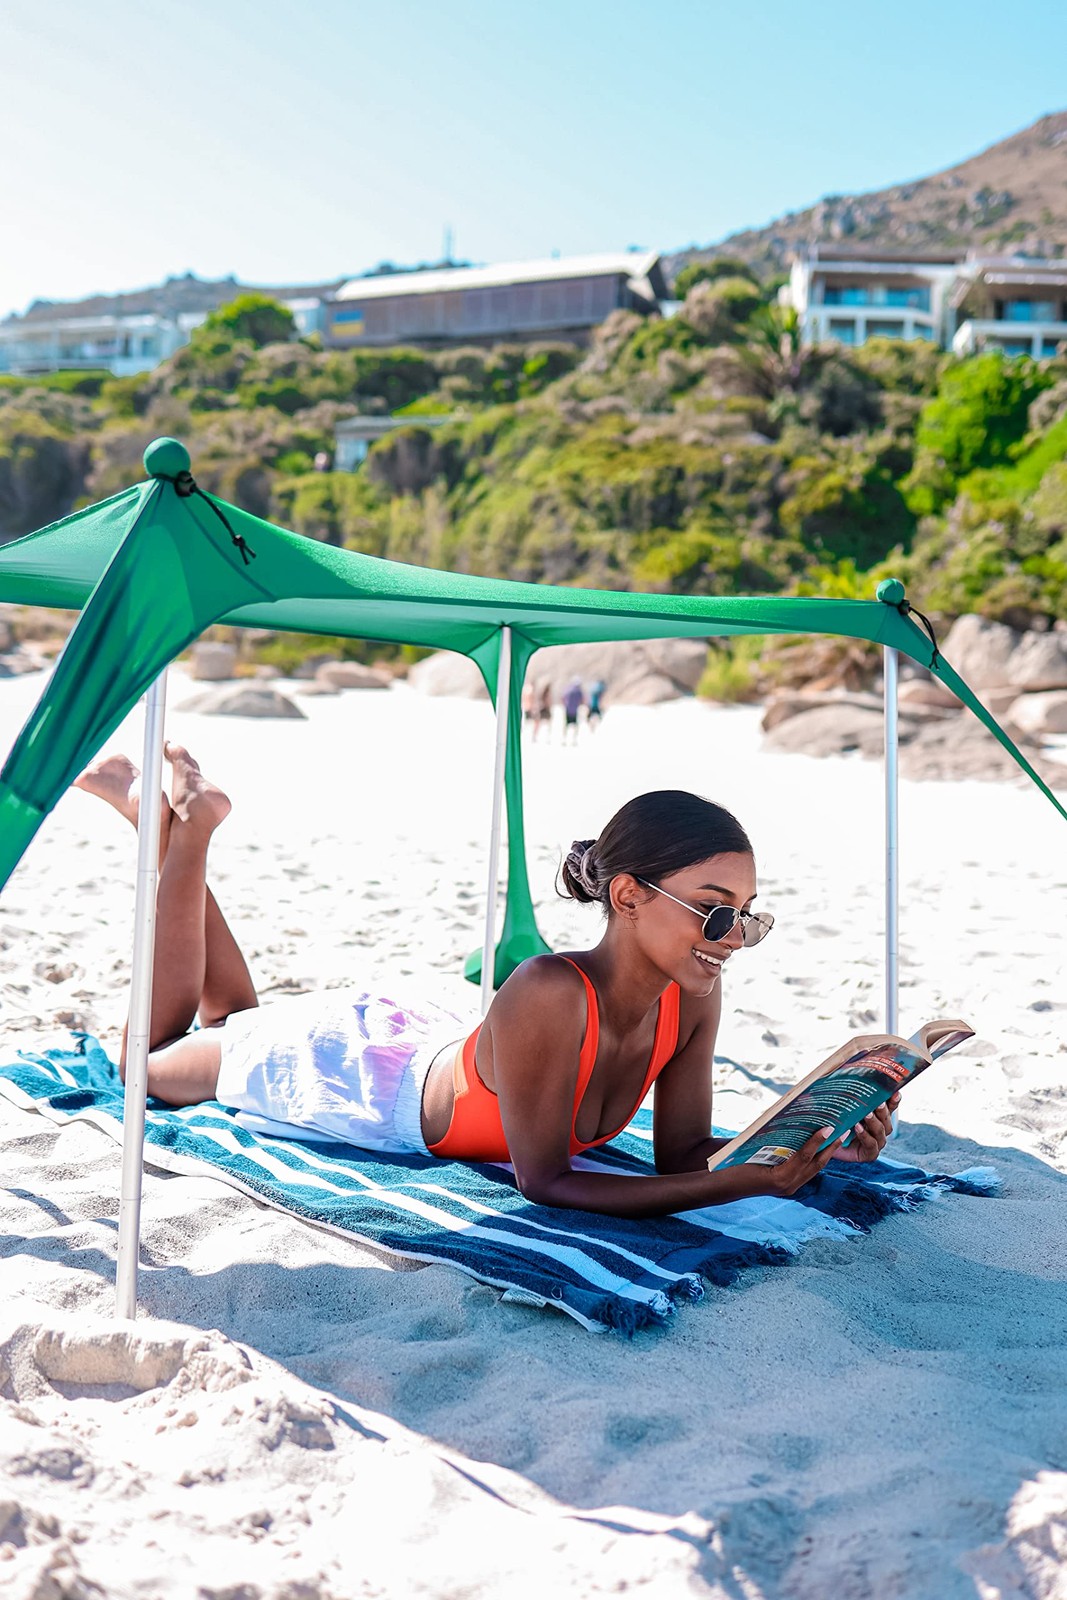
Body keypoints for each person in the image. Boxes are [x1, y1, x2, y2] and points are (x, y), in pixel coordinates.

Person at [76, 751, 896, 1219]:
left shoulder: (691, 997)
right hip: (360, 1076)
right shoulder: (547, 990)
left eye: (748, 918)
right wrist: (743, 1183)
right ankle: (174, 826)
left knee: (235, 1020)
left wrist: (813, 1141)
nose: (732, 941)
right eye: (715, 914)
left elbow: (681, 1155)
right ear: (627, 895)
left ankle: (178, 823)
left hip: (422, 1043)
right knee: (147, 1065)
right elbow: (546, 1183)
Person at [560, 677, 584, 745]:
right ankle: (574, 740)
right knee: (575, 726)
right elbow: (582, 700)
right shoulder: (579, 691)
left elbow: (562, 698)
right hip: (575, 710)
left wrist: (565, 705)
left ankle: (564, 739)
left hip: (567, 709)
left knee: (566, 725)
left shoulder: (568, 689)